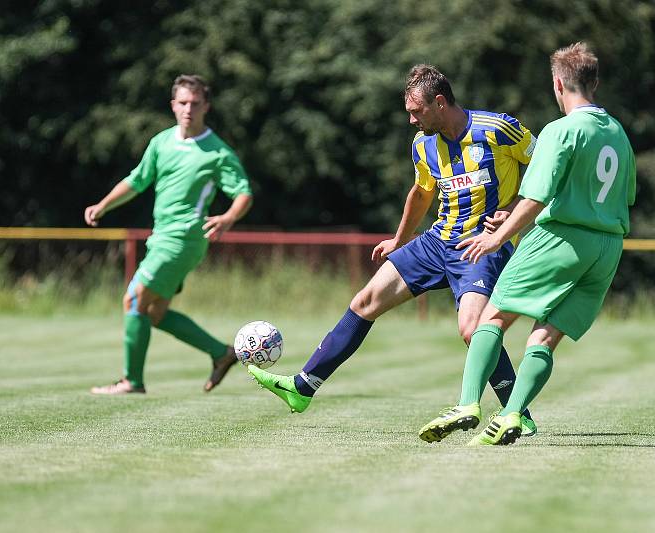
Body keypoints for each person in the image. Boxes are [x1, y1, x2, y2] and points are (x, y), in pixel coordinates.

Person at [248, 64, 538, 434]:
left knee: (472, 330)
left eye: (416, 112)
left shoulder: (497, 129)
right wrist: (400, 239)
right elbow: (421, 192)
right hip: (435, 242)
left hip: (481, 246)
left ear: (439, 102)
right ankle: (303, 388)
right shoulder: (423, 144)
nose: (412, 120)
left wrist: (513, 213)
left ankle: (519, 415)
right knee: (365, 301)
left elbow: (548, 166)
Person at [418, 42, 636, 445]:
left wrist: (497, 236)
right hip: (607, 248)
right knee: (545, 337)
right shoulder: (617, 132)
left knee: (492, 319)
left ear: (558, 84)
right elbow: (620, 195)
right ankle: (514, 414)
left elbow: (535, 197)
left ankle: (468, 403)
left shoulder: (561, 129)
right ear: (595, 83)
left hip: (560, 238)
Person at [85, 74, 253, 394]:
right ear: (173, 105)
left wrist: (229, 217)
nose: (189, 109)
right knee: (155, 313)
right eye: (183, 102)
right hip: (162, 237)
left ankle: (131, 381)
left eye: (195, 103)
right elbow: (137, 180)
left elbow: (243, 192)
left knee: (133, 299)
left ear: (207, 106)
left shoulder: (217, 152)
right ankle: (222, 353)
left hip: (184, 239)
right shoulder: (161, 142)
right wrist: (104, 204)